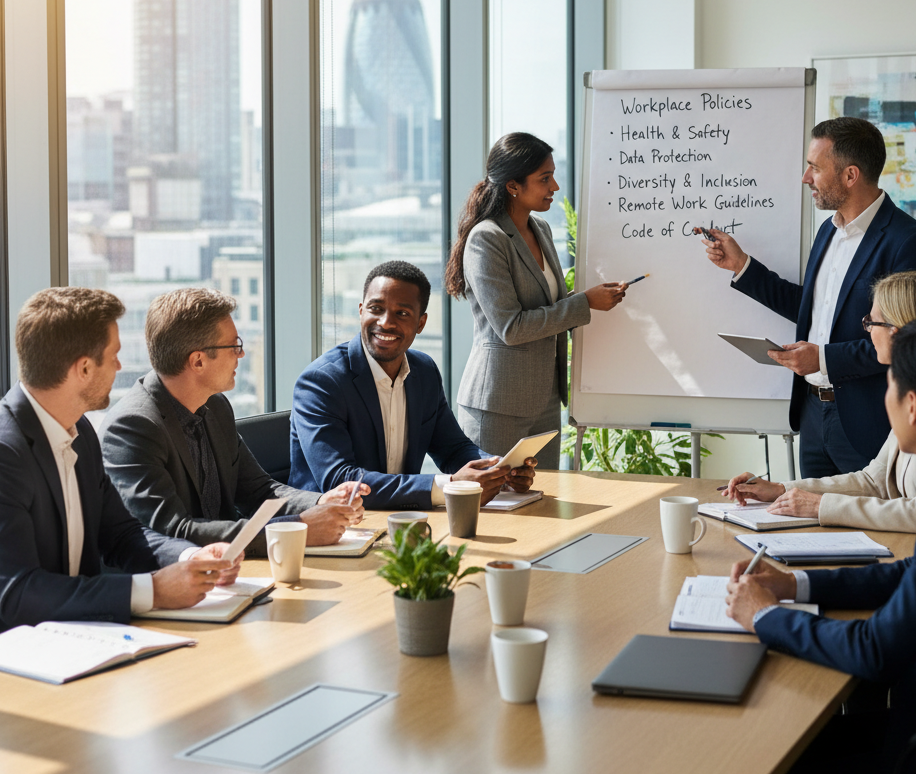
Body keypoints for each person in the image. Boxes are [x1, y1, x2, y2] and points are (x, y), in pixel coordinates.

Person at [725, 317, 916, 774]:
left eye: (888, 387)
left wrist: (764, 616)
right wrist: (794, 585)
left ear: (912, 405)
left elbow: (874, 651)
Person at [703, 117, 916, 479]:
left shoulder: (908, 242)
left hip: (868, 424)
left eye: (815, 167)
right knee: (808, 525)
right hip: (813, 418)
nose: (805, 178)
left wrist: (823, 358)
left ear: (850, 175)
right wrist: (742, 266)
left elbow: (908, 341)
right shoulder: (827, 232)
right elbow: (811, 309)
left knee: (869, 529)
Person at [0, 288, 240, 631]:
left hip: (80, 640)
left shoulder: (79, 430)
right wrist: (152, 590)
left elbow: (122, 535)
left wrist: (189, 558)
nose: (119, 366)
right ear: (83, 368)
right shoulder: (5, 453)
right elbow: (17, 594)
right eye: (113, 355)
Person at [101, 289, 367, 556]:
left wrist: (321, 500)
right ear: (198, 361)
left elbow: (259, 490)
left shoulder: (215, 405)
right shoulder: (133, 426)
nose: (241, 355)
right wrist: (296, 529)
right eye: (234, 345)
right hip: (175, 584)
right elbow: (173, 530)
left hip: (232, 571)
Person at [723, 272, 916, 532]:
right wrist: (781, 489)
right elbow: (874, 481)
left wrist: (821, 506)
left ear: (896, 331)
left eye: (871, 322)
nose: (868, 332)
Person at [445, 132, 627, 470]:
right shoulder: (486, 239)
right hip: (498, 403)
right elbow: (511, 328)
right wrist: (584, 304)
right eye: (545, 179)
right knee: (495, 508)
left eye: (553, 176)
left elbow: (547, 304)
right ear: (513, 185)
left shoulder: (541, 228)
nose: (555, 187)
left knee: (542, 505)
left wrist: (590, 299)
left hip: (544, 399)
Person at [289, 261, 530, 510]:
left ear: (421, 323)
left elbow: (453, 449)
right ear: (361, 311)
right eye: (376, 308)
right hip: (331, 527)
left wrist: (496, 471)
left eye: (402, 313)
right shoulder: (321, 382)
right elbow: (340, 480)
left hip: (401, 518)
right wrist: (449, 485)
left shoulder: (423, 371)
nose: (385, 322)